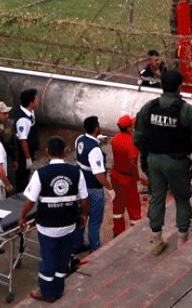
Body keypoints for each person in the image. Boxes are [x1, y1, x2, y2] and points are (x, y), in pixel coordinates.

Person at [134, 68, 192, 254]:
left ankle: (157, 241)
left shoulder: (149, 107)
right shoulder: (186, 110)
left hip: (154, 160)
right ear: (180, 87)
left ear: (161, 85)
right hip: (177, 162)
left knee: (157, 197)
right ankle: (182, 240)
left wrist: (145, 158)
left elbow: (138, 137)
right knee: (182, 198)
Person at [20, 136, 90, 303]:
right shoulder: (76, 172)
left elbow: (30, 201)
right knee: (63, 259)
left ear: (47, 152)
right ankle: (59, 289)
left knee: (48, 261)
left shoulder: (40, 174)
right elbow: (85, 199)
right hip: (69, 225)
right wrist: (84, 215)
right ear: (65, 152)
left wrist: (22, 217)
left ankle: (47, 293)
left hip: (47, 227)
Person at [75, 116, 113, 253]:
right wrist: (110, 188)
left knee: (80, 215)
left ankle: (77, 244)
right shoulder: (95, 150)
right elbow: (99, 175)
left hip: (80, 185)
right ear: (96, 128)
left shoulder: (79, 139)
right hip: (93, 189)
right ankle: (94, 247)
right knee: (95, 219)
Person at [109, 114, 143, 236]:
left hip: (115, 177)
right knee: (134, 208)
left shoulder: (116, 138)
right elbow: (133, 164)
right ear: (128, 128)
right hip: (128, 180)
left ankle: (118, 232)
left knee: (118, 208)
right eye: (132, 126)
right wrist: (138, 181)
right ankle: (136, 234)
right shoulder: (132, 142)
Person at [11, 89, 41, 192]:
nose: (38, 101)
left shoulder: (30, 112)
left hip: (30, 150)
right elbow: (23, 140)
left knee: (26, 176)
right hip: (22, 154)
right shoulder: (23, 119)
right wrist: (28, 158)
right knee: (22, 177)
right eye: (36, 99)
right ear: (31, 102)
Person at [0, 100, 18, 186]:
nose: (7, 116)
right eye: (4, 114)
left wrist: (15, 159)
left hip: (8, 158)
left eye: (7, 113)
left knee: (11, 182)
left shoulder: (10, 124)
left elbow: (14, 142)